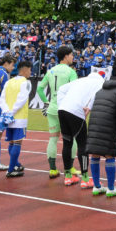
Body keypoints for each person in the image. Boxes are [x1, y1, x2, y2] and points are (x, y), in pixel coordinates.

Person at [57, 70, 107, 187]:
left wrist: (61, 104)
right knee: (82, 144)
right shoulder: (100, 83)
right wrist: (89, 108)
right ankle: (85, 178)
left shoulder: (80, 80)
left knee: (67, 143)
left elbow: (61, 89)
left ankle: (68, 177)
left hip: (62, 110)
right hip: (77, 112)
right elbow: (96, 96)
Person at [84, 77, 116, 198]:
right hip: (108, 125)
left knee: (95, 154)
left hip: (94, 124)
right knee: (109, 154)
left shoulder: (100, 91)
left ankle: (96, 186)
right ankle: (111, 188)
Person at [37, 45, 79, 178]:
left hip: (52, 109)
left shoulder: (50, 71)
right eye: (71, 55)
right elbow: (74, 90)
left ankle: (52, 169)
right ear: (66, 56)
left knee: (53, 139)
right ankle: (70, 167)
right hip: (66, 109)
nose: (73, 57)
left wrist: (46, 102)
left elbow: (39, 89)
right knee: (72, 139)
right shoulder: (71, 72)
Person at [0, 60, 35, 178]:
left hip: (7, 117)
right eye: (30, 70)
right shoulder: (26, 83)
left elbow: (2, 99)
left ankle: (16, 164)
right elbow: (21, 100)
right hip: (19, 118)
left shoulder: (9, 82)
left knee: (11, 142)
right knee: (18, 142)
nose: (30, 73)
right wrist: (12, 112)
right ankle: (11, 169)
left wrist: (7, 112)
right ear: (25, 69)